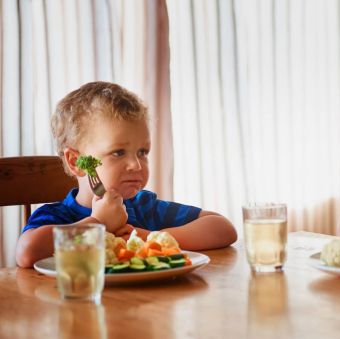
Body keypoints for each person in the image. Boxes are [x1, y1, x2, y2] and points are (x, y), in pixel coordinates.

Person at [16, 81, 237, 268]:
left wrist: (148, 238)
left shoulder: (143, 207)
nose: (136, 164)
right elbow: (27, 252)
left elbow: (223, 228)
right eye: (118, 152)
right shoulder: (59, 216)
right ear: (77, 162)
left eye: (143, 152)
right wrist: (97, 223)